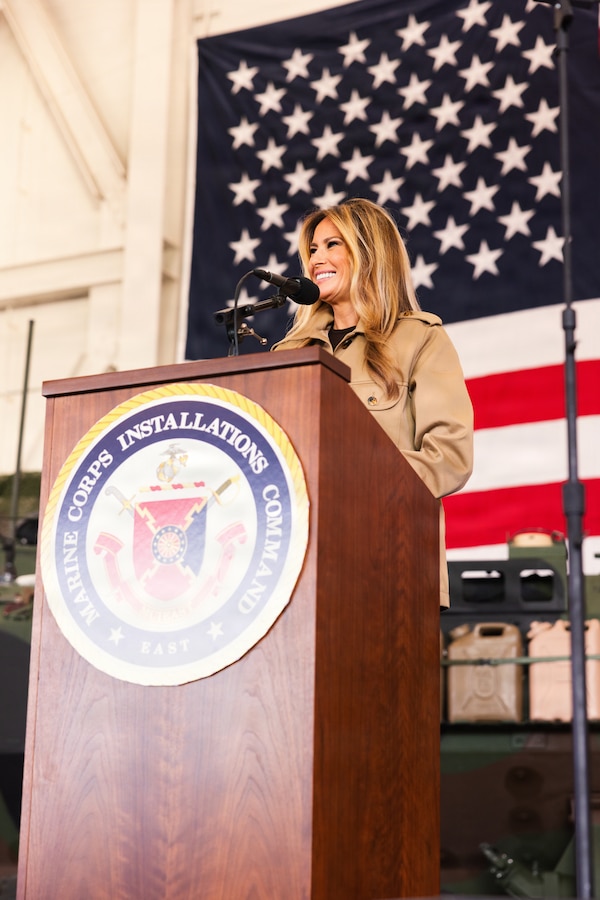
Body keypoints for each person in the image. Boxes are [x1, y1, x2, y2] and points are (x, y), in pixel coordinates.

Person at [271, 197, 473, 608]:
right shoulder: (285, 355)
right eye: (311, 250)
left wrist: (350, 476)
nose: (316, 260)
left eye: (332, 245)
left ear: (368, 251)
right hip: (292, 570)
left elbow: (448, 457)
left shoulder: (421, 338)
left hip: (389, 564)